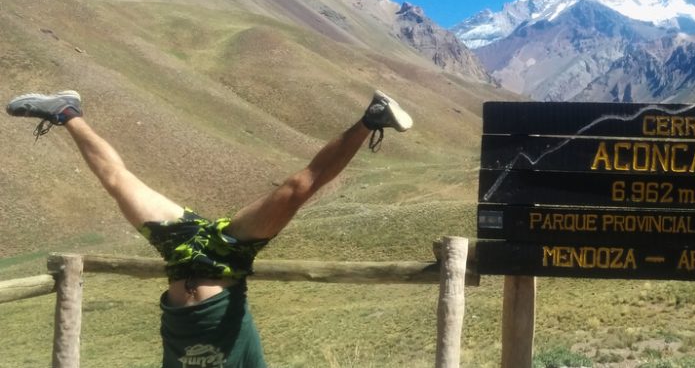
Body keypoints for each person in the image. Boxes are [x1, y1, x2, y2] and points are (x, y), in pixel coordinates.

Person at [6, 89, 412, 368]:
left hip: (179, 253)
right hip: (229, 254)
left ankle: (67, 113)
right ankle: (370, 119)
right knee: (295, 190)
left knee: (117, 181)